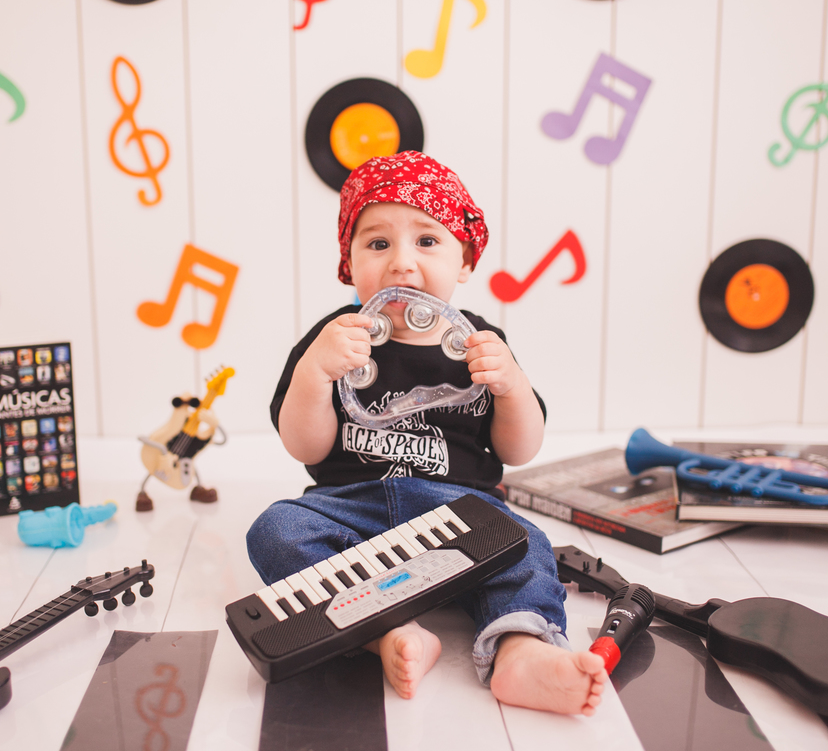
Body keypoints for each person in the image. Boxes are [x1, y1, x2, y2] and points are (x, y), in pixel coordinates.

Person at [247, 151, 605, 715]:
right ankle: (387, 631)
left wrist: (511, 385)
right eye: (378, 243)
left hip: (461, 517)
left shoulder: (482, 344)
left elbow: (519, 449)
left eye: (427, 241)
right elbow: (305, 447)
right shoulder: (334, 339)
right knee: (276, 531)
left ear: (465, 260)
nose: (402, 264)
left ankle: (519, 651)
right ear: (349, 262)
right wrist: (315, 372)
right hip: (351, 513)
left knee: (526, 546)